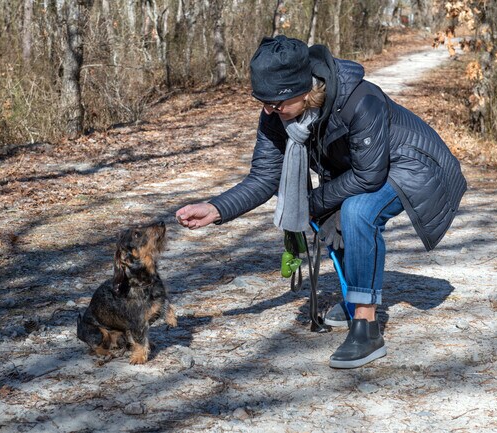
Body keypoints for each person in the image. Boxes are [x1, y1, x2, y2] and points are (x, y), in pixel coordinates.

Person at [175, 36, 467, 369]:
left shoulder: (359, 100)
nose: (269, 111)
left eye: (276, 103)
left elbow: (369, 177)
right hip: (364, 168)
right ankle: (353, 297)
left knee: (357, 211)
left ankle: (367, 327)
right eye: (263, 102)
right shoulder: (277, 114)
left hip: (412, 163)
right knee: (335, 215)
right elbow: (263, 178)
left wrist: (310, 202)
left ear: (305, 92)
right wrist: (215, 210)